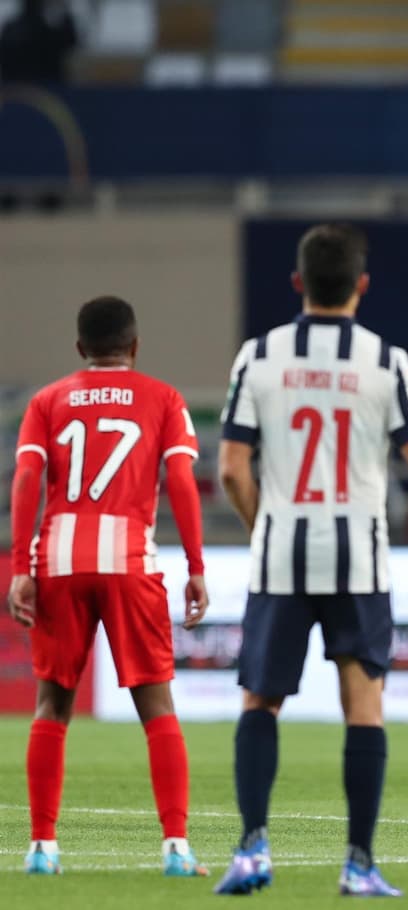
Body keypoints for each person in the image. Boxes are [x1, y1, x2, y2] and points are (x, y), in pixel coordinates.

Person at [215, 223, 408, 896]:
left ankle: (251, 849)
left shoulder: (260, 355)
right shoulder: (385, 361)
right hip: (358, 557)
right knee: (363, 705)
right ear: (362, 287)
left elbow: (229, 469)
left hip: (282, 552)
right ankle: (359, 863)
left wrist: (263, 526)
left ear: (298, 284)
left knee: (260, 699)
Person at [7, 296, 210, 877]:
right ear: (135, 346)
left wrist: (22, 565)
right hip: (128, 555)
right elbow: (181, 480)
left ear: (79, 349)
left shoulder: (47, 400)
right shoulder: (164, 398)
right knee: (156, 708)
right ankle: (176, 847)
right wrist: (196, 565)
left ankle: (42, 849)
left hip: (60, 556)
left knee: (51, 705)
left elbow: (26, 478)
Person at [0, 0, 78, 84]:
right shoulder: (14, 27)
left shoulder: (60, 22)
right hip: (20, 84)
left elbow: (70, 45)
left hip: (51, 84)